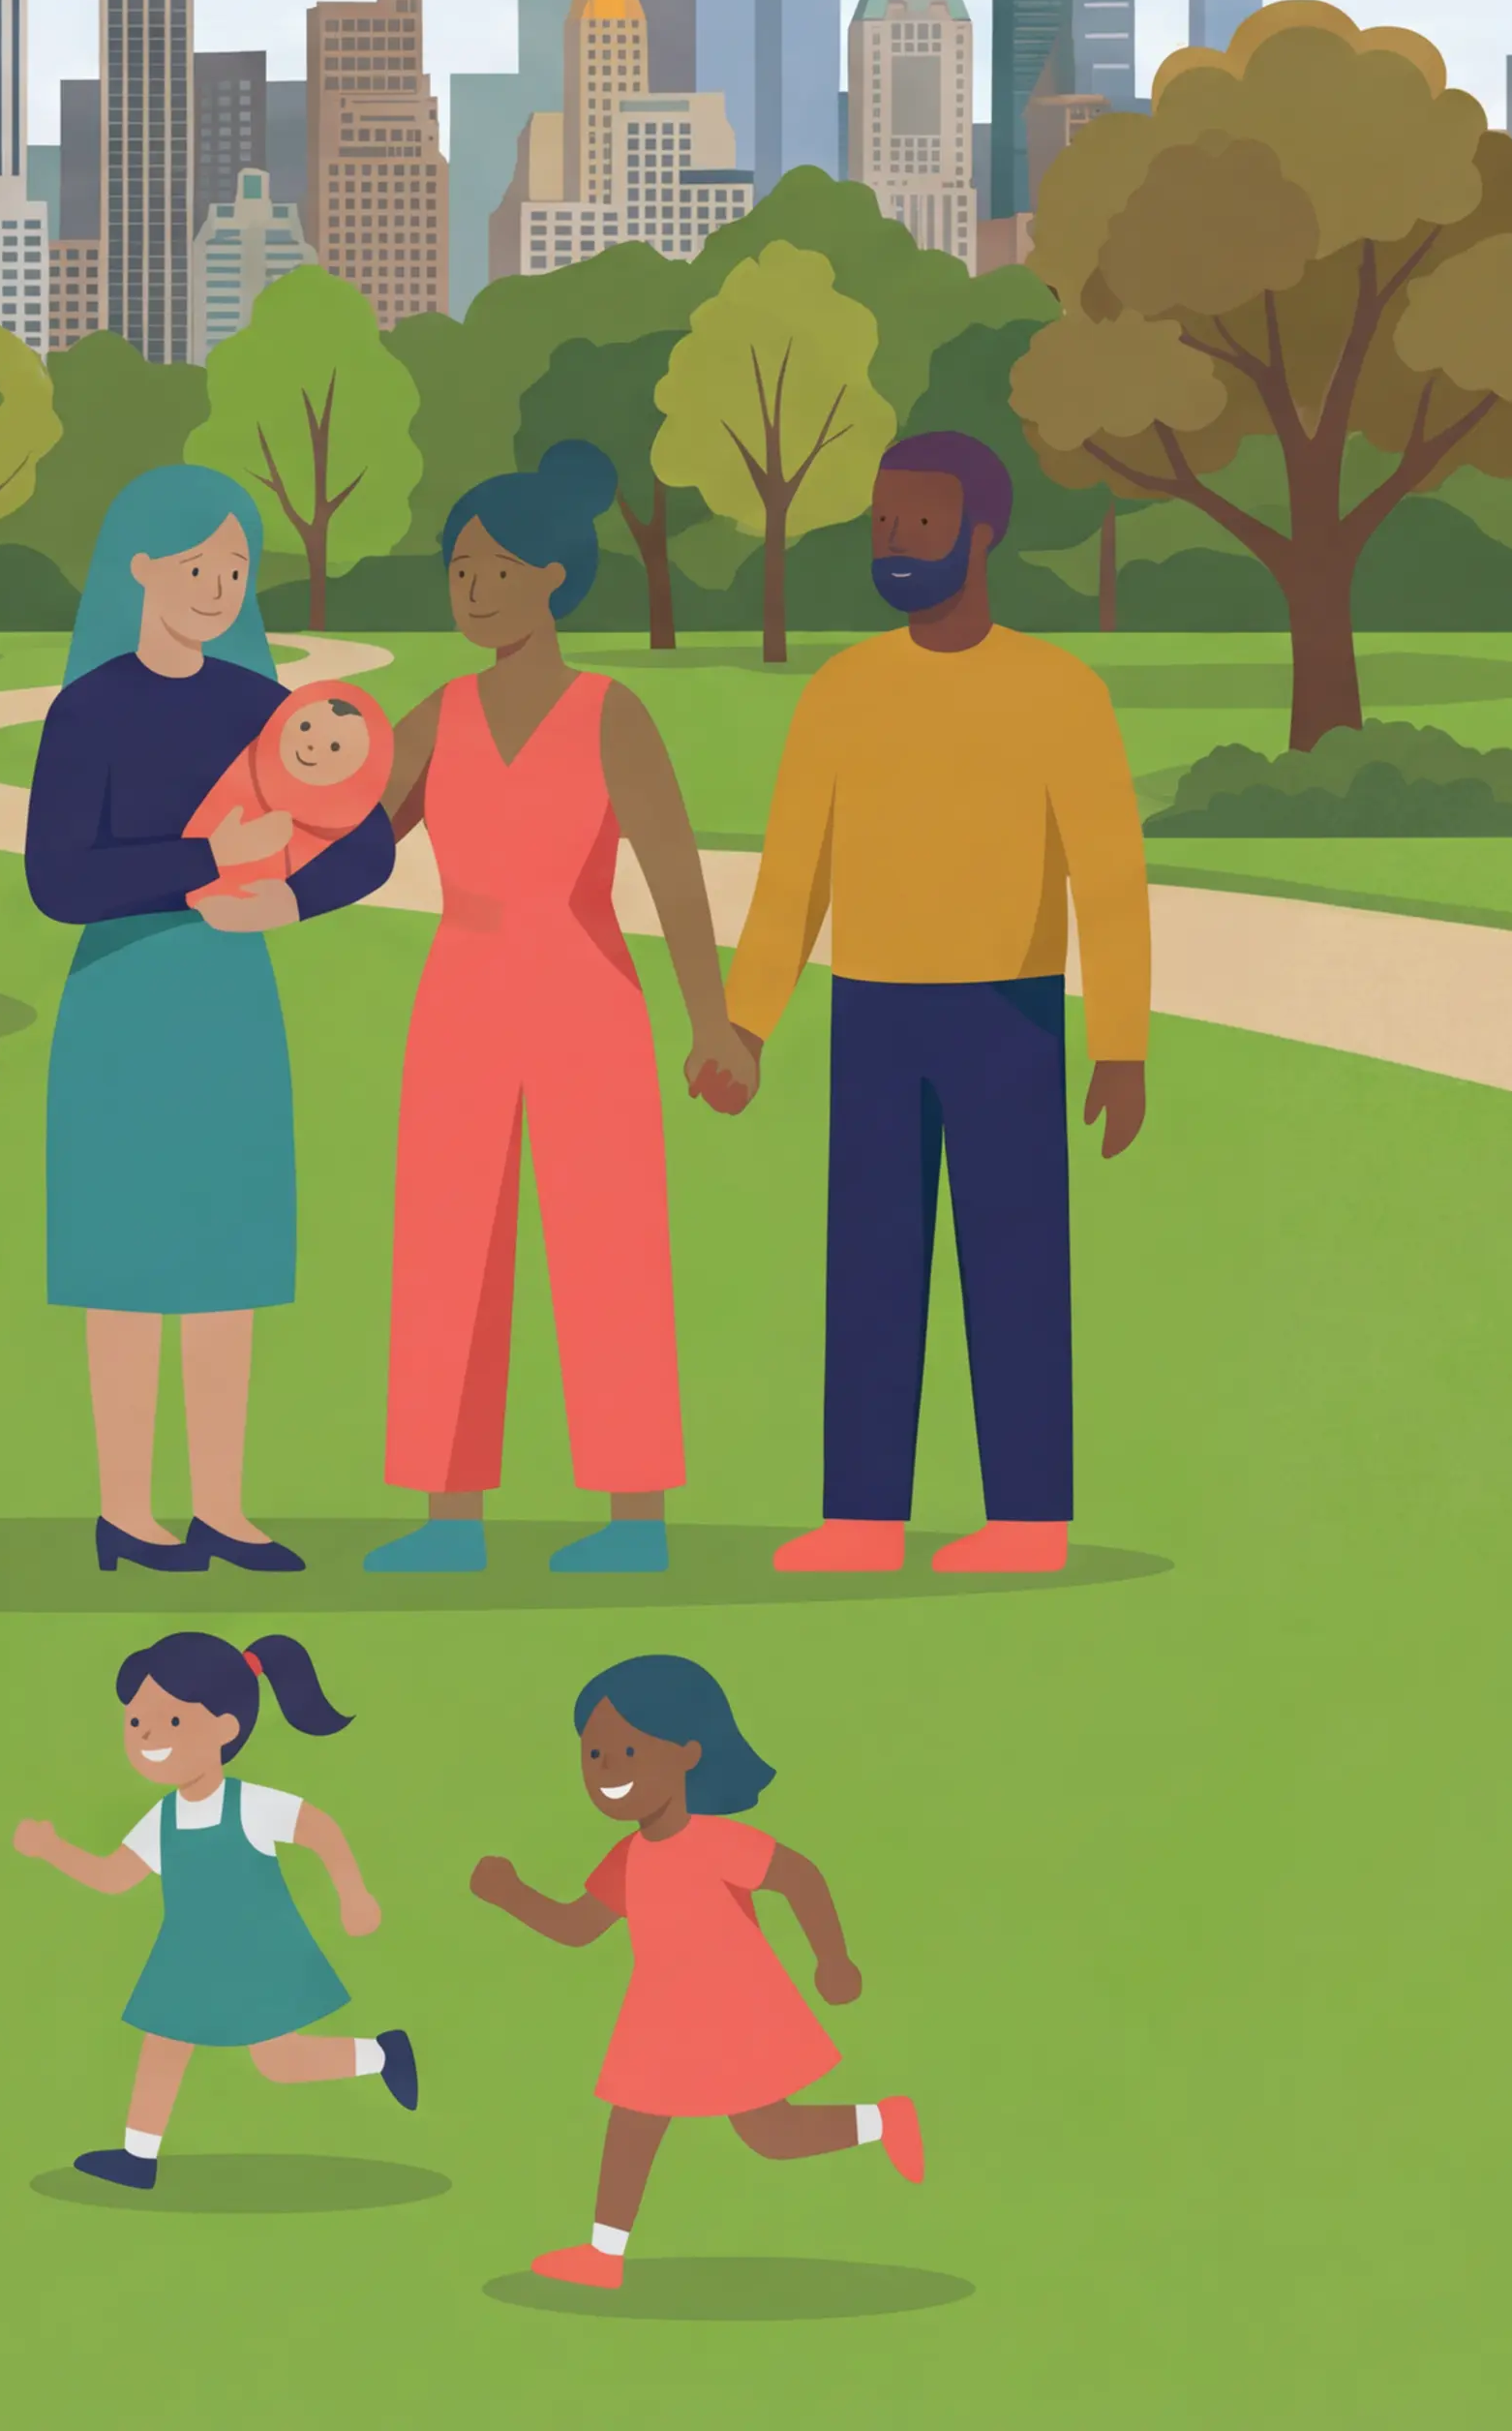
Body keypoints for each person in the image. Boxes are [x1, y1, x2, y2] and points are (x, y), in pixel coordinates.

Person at [707, 431, 1152, 1578]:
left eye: (917, 521)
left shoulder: (1059, 691)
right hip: (873, 1014)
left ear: (981, 531)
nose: (894, 542)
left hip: (1006, 1016)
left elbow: (1105, 878)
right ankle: (859, 1518)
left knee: (1013, 1265)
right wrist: (744, 1024)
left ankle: (1026, 1522)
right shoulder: (842, 691)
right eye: (882, 522)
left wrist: (1120, 1044)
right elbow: (790, 878)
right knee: (867, 1265)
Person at [362, 441, 743, 1577]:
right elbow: (360, 835)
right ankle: (447, 1517)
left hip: (585, 997)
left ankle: (633, 1518)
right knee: (445, 1249)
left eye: (493, 571)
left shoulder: (609, 714)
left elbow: (675, 878)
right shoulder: (435, 712)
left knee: (606, 1246)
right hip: (462, 997)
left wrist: (709, 1023)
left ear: (552, 579)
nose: (471, 591)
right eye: (457, 572)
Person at [22, 466, 396, 1573]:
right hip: (122, 1004)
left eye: (235, 570)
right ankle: (126, 1510)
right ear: (138, 566)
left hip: (227, 1006)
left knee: (223, 1259)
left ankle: (223, 1506)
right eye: (198, 567)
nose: (219, 588)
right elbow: (56, 880)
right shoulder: (86, 710)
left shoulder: (259, 712)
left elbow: (365, 838)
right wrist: (204, 859)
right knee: (125, 1261)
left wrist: (285, 895)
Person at [467, 1653, 922, 2291]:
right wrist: (511, 1895)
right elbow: (578, 1928)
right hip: (660, 2017)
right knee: (636, 2121)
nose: (606, 1773)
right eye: (593, 1757)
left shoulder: (718, 1843)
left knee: (770, 2133)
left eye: (626, 1752)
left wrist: (833, 1960)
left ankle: (884, 2120)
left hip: (737, 2010)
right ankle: (603, 2255)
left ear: (686, 1753)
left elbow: (800, 1878)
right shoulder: (625, 1858)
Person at [7, 1630, 418, 2191]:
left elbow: (320, 1829)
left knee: (276, 2062)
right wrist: (53, 1849)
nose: (148, 1734)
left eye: (171, 1722)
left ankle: (381, 2054)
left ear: (226, 1728)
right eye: (136, 1722)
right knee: (164, 2044)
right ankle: (138, 2157)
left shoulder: (250, 1805)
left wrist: (354, 1893)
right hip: (188, 1956)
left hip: (258, 1953)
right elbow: (114, 1876)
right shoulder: (162, 1817)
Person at [184, 684, 398, 896]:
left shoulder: (341, 821)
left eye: (335, 747)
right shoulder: (247, 765)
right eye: (305, 727)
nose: (311, 746)